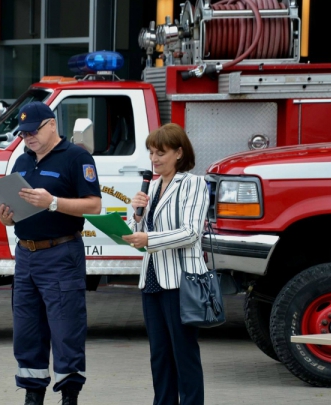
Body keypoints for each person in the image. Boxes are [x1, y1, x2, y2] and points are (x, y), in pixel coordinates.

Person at [0, 101, 102, 405]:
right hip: (26, 256)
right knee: (27, 329)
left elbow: (94, 205)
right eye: (24, 133)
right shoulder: (21, 162)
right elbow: (14, 214)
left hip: (61, 253)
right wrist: (5, 216)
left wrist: (53, 202)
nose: (28, 138)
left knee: (65, 328)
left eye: (33, 131)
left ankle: (69, 396)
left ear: (52, 124)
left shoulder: (76, 157)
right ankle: (32, 395)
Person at [121, 123, 209, 405]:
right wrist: (134, 216)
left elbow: (191, 232)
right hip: (151, 280)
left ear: (179, 153)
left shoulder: (193, 184)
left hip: (181, 282)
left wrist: (149, 237)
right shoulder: (152, 186)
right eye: (151, 153)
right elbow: (138, 230)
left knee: (184, 354)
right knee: (159, 355)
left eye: (161, 152)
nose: (154, 159)